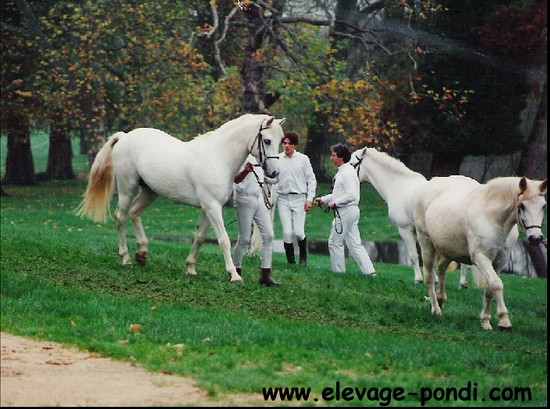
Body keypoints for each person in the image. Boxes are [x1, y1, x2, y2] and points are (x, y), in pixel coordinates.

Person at [313, 143, 377, 277]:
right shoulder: (345, 171)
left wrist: (335, 203)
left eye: (333, 155)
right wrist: (323, 200)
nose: (331, 158)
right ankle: (370, 273)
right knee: (355, 244)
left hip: (346, 212)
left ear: (341, 157)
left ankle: (339, 273)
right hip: (350, 211)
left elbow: (351, 195)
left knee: (334, 242)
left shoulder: (346, 173)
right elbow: (339, 194)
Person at [233, 154, 281, 286]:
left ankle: (266, 274)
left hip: (259, 197)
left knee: (269, 235)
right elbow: (235, 179)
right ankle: (235, 271)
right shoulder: (241, 156)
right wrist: (245, 171)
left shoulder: (263, 157)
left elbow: (272, 175)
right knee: (244, 238)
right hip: (244, 198)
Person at [274, 132, 317, 266]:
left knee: (298, 232)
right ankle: (291, 262)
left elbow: (311, 179)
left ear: (295, 145)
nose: (286, 146)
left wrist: (309, 199)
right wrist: (265, 180)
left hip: (299, 198)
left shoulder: (303, 159)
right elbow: (274, 178)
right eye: (284, 143)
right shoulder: (278, 159)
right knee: (287, 232)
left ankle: (303, 259)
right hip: (283, 198)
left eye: (289, 143)